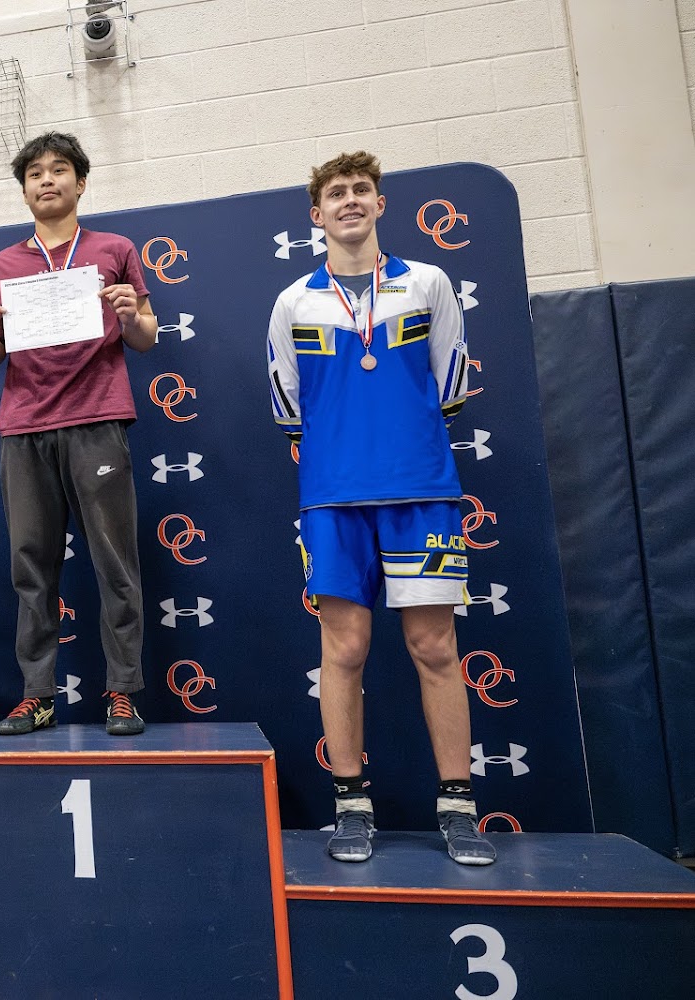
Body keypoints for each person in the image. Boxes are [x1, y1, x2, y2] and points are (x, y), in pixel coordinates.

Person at [266, 151, 494, 866]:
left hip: (421, 490)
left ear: (380, 203)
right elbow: (288, 407)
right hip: (333, 497)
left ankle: (458, 808)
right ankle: (351, 807)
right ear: (317, 214)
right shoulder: (293, 302)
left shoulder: (427, 283)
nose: (350, 201)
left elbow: (450, 385)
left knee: (435, 647)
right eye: (336, 193)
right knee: (344, 650)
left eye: (362, 189)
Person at [0, 132, 157, 737]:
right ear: (24, 190)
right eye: (35, 174)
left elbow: (146, 335)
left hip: (97, 419)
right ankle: (37, 695)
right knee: (32, 566)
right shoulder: (1, 266)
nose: (47, 180)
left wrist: (130, 315)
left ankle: (122, 691)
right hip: (25, 426)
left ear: (81, 182)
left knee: (114, 563)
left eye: (59, 170)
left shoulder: (114, 249)